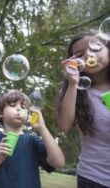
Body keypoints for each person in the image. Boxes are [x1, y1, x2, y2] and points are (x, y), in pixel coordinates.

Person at [0, 90, 65, 188]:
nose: (19, 108)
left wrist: (42, 128)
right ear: (1, 113)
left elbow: (59, 162)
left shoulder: (33, 141)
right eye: (13, 105)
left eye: (23, 107)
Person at [57, 31, 110, 187]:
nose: (88, 55)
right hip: (93, 179)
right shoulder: (79, 93)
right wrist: (73, 83)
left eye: (95, 48)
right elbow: (64, 125)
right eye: (79, 54)